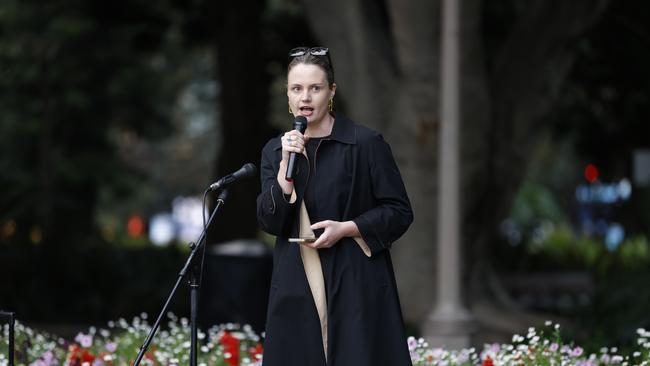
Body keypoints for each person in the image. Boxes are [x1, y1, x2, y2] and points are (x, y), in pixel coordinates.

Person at [256, 46, 414, 366]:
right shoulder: (275, 151)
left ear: (331, 91)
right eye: (296, 89)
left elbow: (399, 211)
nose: (305, 98)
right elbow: (270, 221)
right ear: (287, 95)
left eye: (315, 88)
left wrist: (347, 228)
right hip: (296, 284)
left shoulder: (365, 143)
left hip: (357, 282)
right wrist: (287, 165)